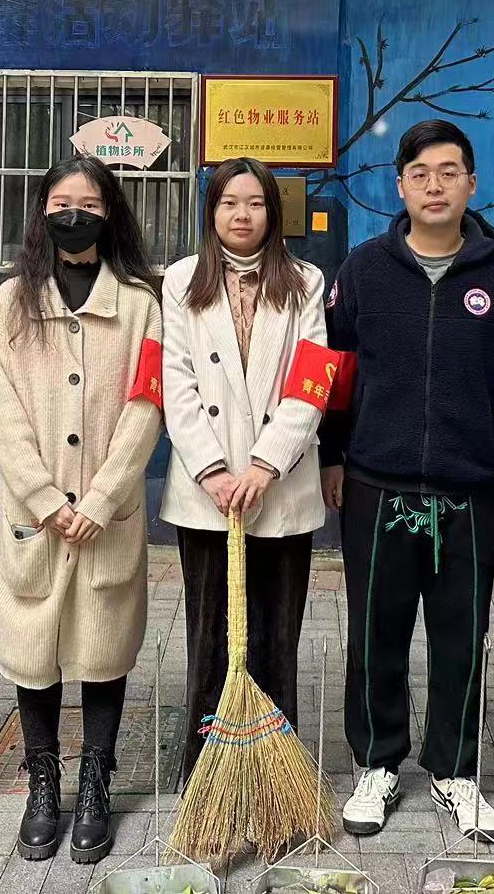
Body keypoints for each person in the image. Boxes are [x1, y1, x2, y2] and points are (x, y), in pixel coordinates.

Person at [321, 119, 494, 844]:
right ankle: (377, 761)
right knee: (375, 632)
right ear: (401, 186)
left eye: (449, 172)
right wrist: (331, 454)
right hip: (375, 483)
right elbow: (334, 371)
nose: (435, 186)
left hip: (467, 488)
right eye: (420, 174)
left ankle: (455, 768)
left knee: (461, 634)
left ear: (471, 184)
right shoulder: (363, 270)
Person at [0, 156, 164, 865]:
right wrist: (45, 499)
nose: (74, 214)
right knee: (33, 650)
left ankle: (95, 782)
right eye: (61, 202)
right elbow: (1, 410)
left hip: (107, 513)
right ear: (42, 211)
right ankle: (42, 783)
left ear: (109, 212)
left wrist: (101, 498)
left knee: (104, 646)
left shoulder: (140, 304)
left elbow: (147, 405)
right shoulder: (11, 302)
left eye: (88, 203)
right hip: (33, 515)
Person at [161, 157, 333, 783]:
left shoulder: (305, 281)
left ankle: (275, 774)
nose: (242, 215)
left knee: (276, 634)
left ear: (273, 212)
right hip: (205, 490)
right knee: (210, 634)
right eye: (229, 203)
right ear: (211, 211)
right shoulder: (181, 280)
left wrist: (264, 465)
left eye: (256, 203)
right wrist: (212, 471)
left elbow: (312, 378)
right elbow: (174, 379)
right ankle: (207, 771)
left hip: (280, 485)